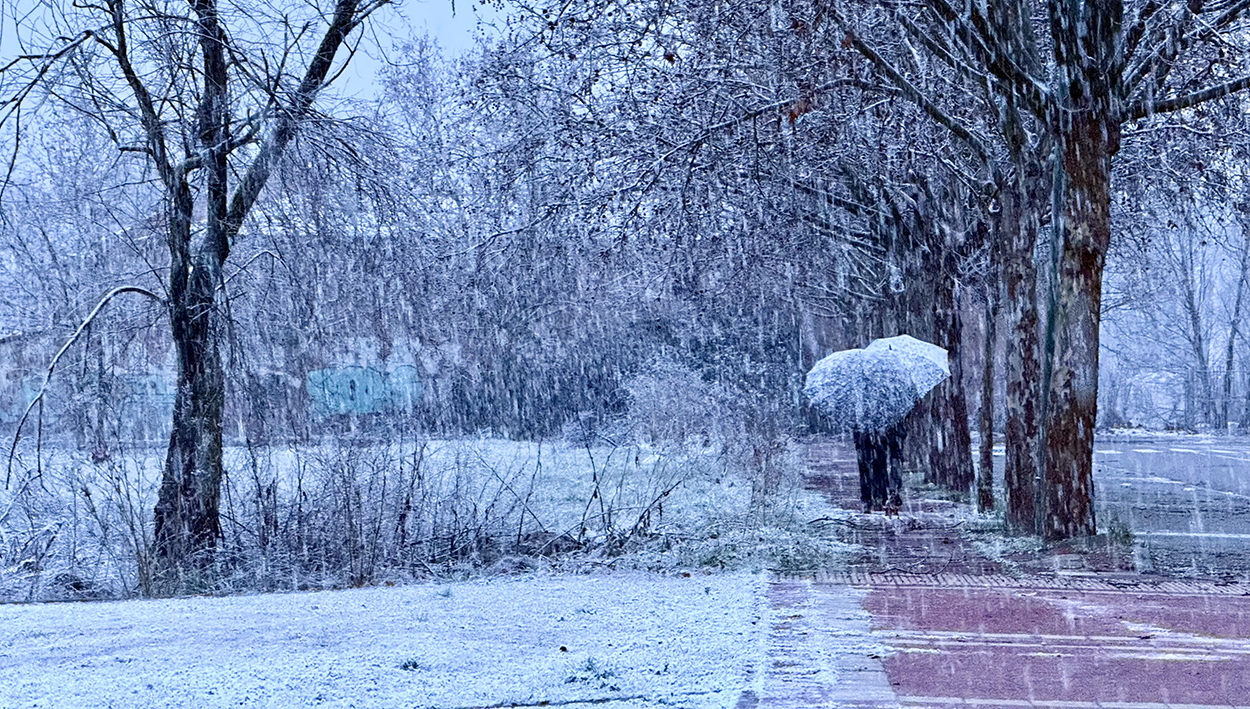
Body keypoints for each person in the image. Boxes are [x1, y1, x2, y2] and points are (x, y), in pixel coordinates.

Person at [854, 420, 907, 513]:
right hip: (885, 428)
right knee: (888, 459)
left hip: (869, 429)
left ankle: (873, 497)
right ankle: (888, 493)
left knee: (871, 462)